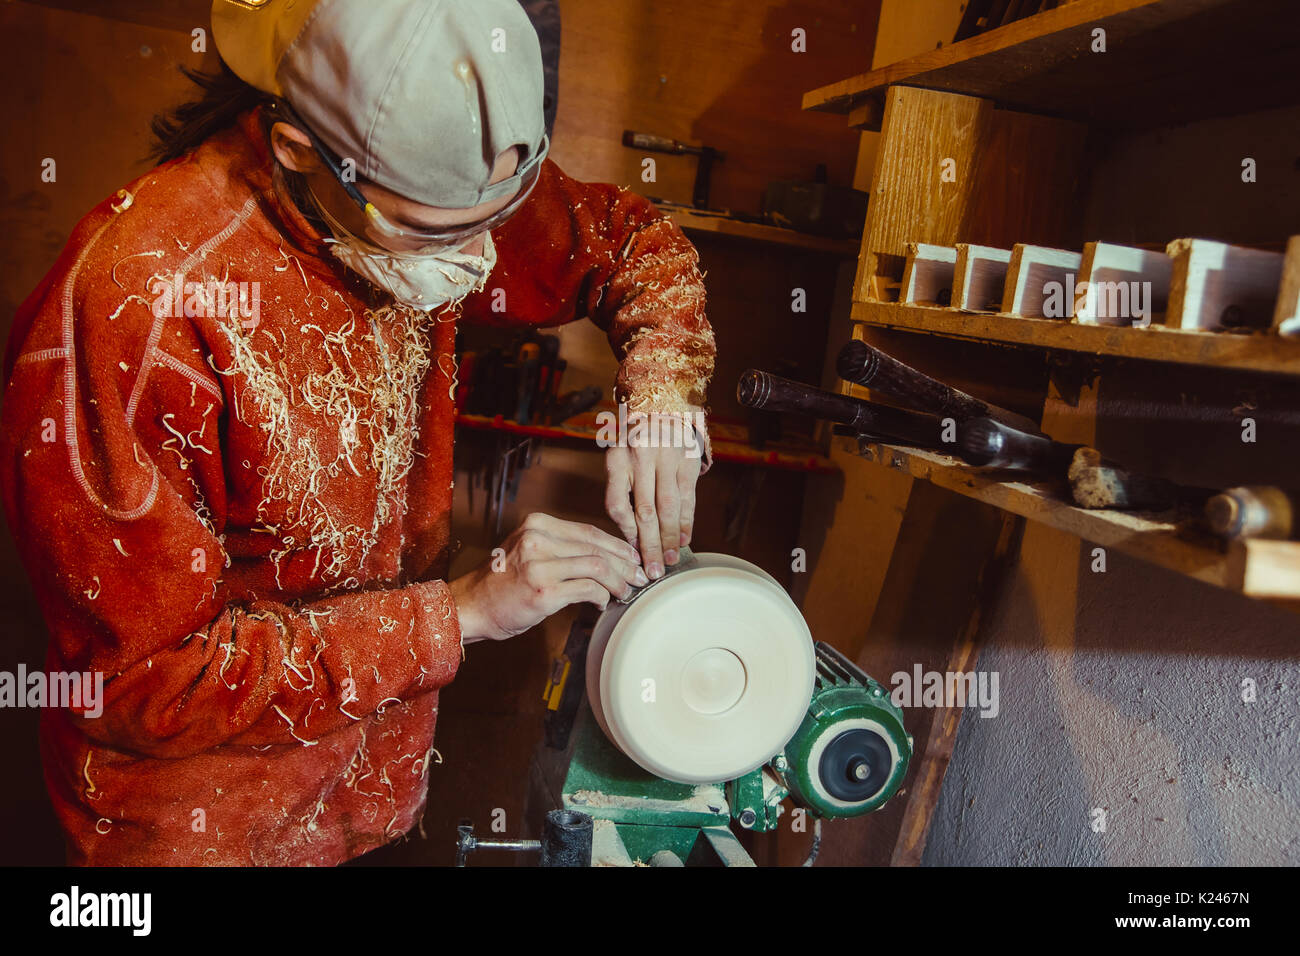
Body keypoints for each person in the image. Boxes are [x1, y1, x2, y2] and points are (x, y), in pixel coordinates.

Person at [0, 0, 715, 866]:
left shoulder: (436, 181)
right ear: (302, 150)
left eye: (486, 225)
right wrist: (461, 614)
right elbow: (138, 686)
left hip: (369, 796)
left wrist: (662, 396)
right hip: (202, 830)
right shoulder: (140, 306)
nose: (474, 263)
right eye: (432, 234)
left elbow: (630, 243)